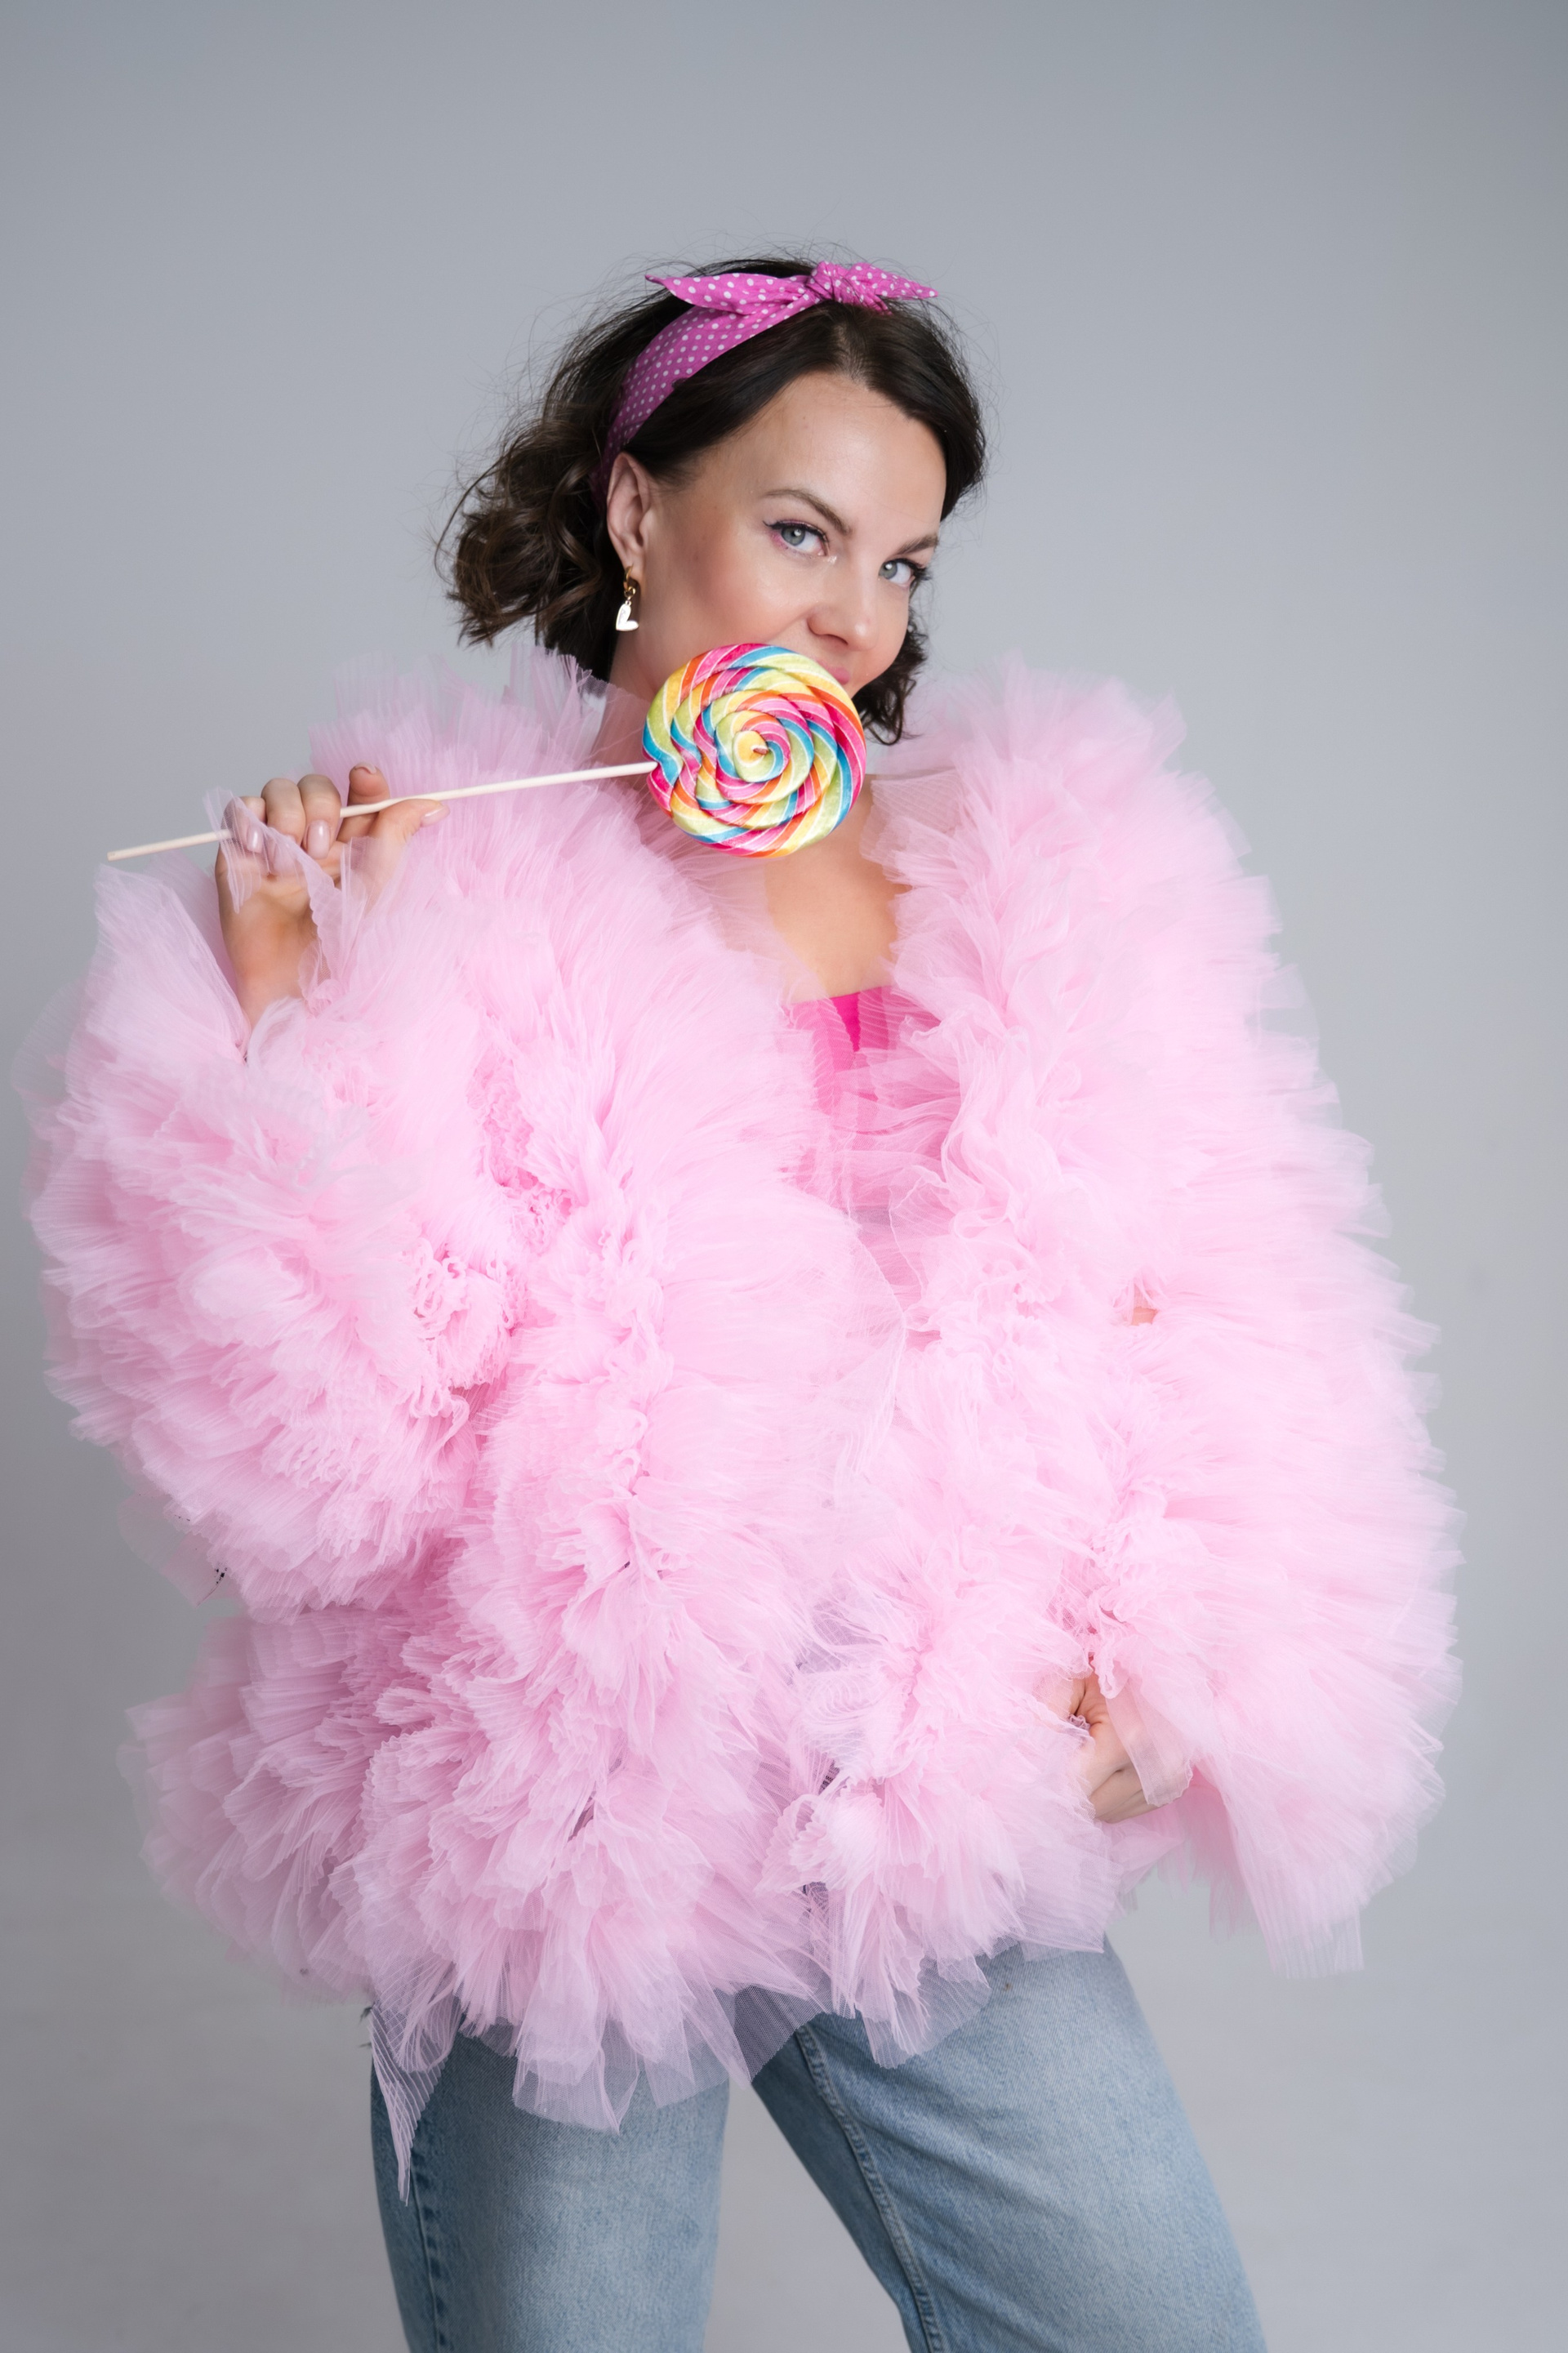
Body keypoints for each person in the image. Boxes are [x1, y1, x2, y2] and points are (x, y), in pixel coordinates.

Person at [20, 255, 1456, 2353]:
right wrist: (293, 1013)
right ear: (636, 511)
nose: (855, 617)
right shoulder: (440, 873)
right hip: (572, 1803)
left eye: (901, 561)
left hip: (916, 1776)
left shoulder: (1022, 860)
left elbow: (1216, 1282)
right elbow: (315, 1474)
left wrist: (1183, 1642)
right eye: (801, 531)